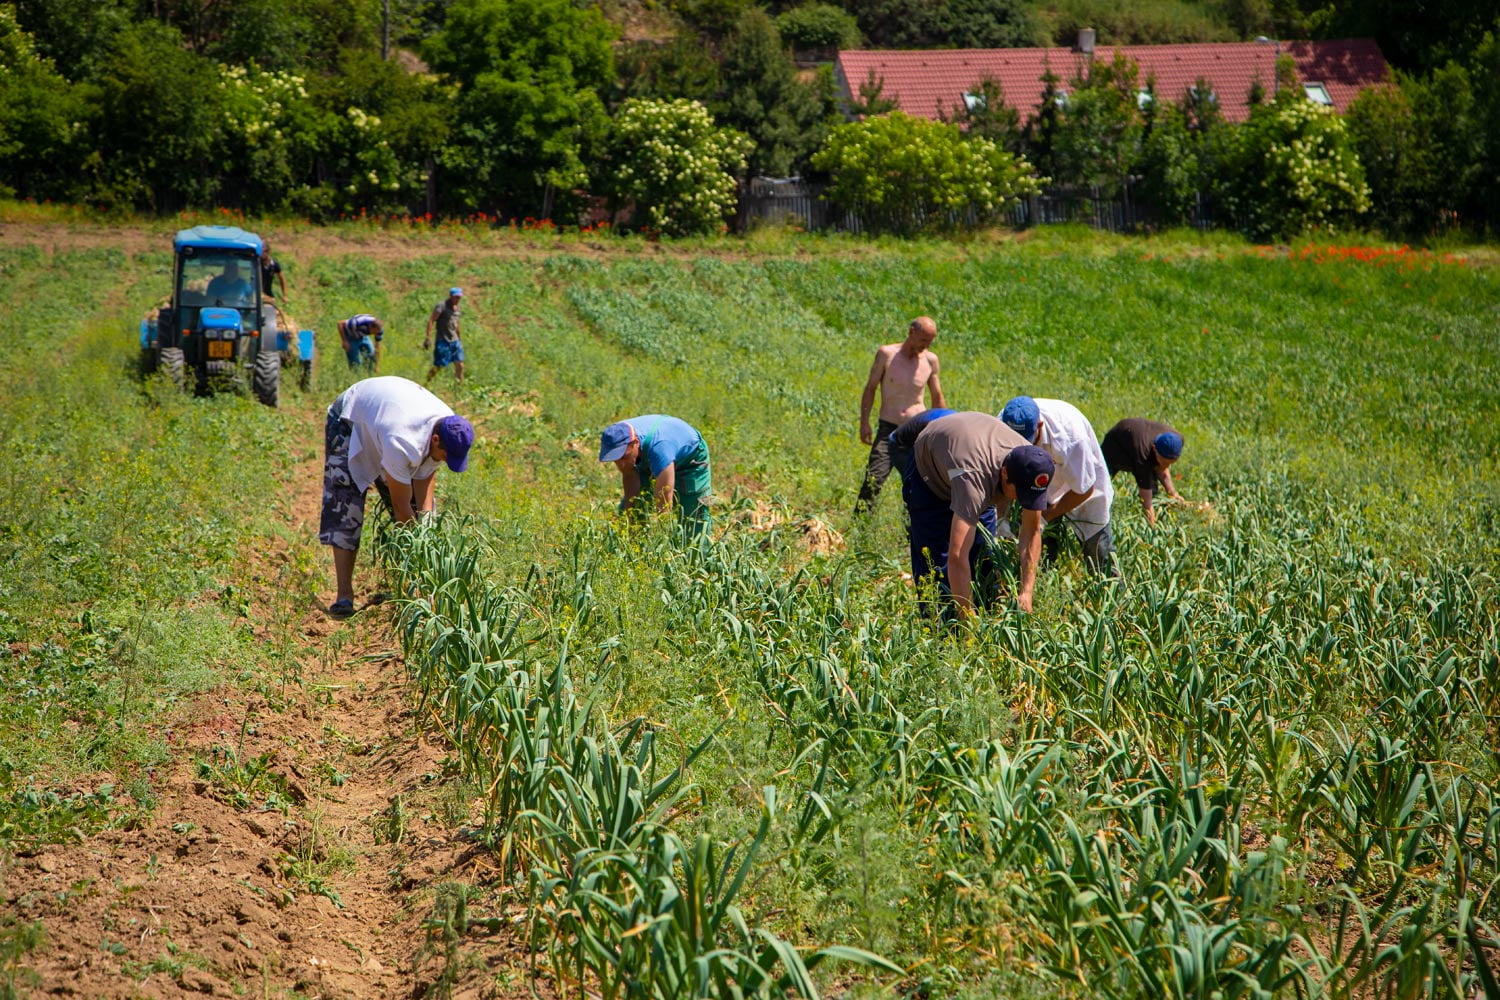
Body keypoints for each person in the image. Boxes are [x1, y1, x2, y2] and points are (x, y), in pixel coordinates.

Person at [320, 376, 474, 617]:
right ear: (435, 440)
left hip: (385, 418)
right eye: (446, 456)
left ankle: (413, 589)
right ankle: (344, 597)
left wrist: (427, 529)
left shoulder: (449, 426)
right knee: (346, 506)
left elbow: (424, 491)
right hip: (349, 419)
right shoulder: (402, 440)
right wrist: (420, 554)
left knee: (419, 518)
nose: (445, 461)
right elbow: (402, 509)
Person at [907, 411, 1054, 616]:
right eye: (1020, 494)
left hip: (972, 455)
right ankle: (940, 631)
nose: (1023, 501)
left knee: (983, 560)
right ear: (1004, 474)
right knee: (936, 567)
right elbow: (957, 556)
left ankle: (985, 618)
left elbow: (1031, 531)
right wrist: (967, 620)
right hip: (932, 473)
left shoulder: (1032, 466)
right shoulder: (975, 482)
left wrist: (1026, 592)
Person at [999, 396, 1117, 577]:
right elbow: (999, 477)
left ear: (1039, 426)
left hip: (1079, 484)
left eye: (1026, 440)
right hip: (1035, 484)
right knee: (1039, 544)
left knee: (1098, 549)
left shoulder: (1071, 437)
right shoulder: (1001, 423)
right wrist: (1002, 519)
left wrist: (1047, 515)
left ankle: (1114, 598)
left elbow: (1085, 489)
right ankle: (1044, 578)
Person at [855, 316, 945, 515]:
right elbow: (870, 388)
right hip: (890, 428)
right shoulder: (887, 354)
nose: (925, 346)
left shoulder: (930, 360)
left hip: (916, 431)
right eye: (923, 341)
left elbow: (937, 396)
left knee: (917, 486)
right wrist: (864, 422)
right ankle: (859, 528)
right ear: (911, 332)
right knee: (874, 479)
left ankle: (913, 534)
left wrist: (943, 428)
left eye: (929, 342)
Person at [598, 415, 712, 536]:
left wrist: (662, 542)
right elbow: (630, 480)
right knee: (633, 508)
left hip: (690, 459)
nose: (621, 463)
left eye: (624, 456)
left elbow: (664, 502)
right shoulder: (617, 435)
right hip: (649, 454)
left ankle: (700, 552)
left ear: (635, 443)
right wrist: (631, 525)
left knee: (694, 517)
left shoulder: (660, 449)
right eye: (616, 458)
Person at [1100, 418, 1185, 528]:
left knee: (1154, 483)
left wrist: (1173, 494)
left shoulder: (1177, 440)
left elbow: (1162, 469)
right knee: (1101, 484)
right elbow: (1146, 501)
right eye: (1164, 462)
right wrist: (1152, 528)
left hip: (1140, 436)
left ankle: (1159, 509)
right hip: (1116, 444)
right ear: (1155, 449)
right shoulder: (1143, 456)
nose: (1167, 467)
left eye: (1171, 463)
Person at [424, 287, 465, 386]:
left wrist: (459, 338)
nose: (457, 299)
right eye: (455, 297)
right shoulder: (441, 306)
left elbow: (456, 323)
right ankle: (426, 382)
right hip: (443, 340)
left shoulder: (457, 308)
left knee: (460, 365)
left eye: (459, 297)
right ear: (450, 296)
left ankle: (458, 387)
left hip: (455, 341)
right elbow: (431, 320)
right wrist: (428, 337)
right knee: (440, 365)